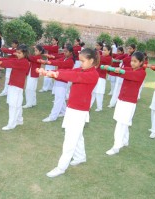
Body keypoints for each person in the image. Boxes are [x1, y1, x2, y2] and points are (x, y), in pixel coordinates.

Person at [37, 48, 99, 178]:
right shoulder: (82, 69)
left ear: (92, 61)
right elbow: (67, 71)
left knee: (70, 139)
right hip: (73, 108)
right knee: (78, 135)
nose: (80, 63)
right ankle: (80, 156)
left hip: (79, 111)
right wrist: (49, 72)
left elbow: (74, 76)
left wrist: (53, 74)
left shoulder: (93, 74)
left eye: (82, 61)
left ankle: (61, 167)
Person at [105, 51, 146, 156]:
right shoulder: (129, 69)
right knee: (123, 122)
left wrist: (120, 71)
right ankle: (125, 141)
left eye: (135, 61)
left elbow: (130, 75)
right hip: (122, 99)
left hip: (129, 102)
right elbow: (119, 72)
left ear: (141, 62)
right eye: (132, 61)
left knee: (121, 124)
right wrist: (109, 68)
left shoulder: (141, 73)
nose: (132, 63)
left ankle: (116, 147)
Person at [0, 44, 30, 130]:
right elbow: (10, 60)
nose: (17, 54)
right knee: (17, 104)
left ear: (25, 53)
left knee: (13, 105)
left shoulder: (23, 62)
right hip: (16, 85)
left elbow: (10, 63)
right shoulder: (20, 60)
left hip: (16, 86)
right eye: (17, 52)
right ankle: (19, 120)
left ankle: (11, 124)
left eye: (19, 53)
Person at [38, 44, 75, 122]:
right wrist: (47, 61)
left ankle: (52, 117)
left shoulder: (70, 61)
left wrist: (47, 62)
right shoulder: (65, 58)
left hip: (63, 81)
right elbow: (57, 61)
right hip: (59, 79)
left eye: (66, 52)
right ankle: (64, 112)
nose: (64, 53)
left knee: (58, 99)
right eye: (64, 51)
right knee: (59, 98)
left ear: (71, 52)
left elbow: (59, 64)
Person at [91, 44, 112, 111]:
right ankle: (89, 105)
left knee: (99, 93)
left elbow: (100, 59)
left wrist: (97, 54)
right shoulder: (100, 56)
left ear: (109, 51)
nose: (103, 51)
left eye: (105, 50)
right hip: (96, 76)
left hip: (101, 78)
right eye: (103, 50)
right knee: (93, 92)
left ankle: (99, 107)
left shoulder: (109, 58)